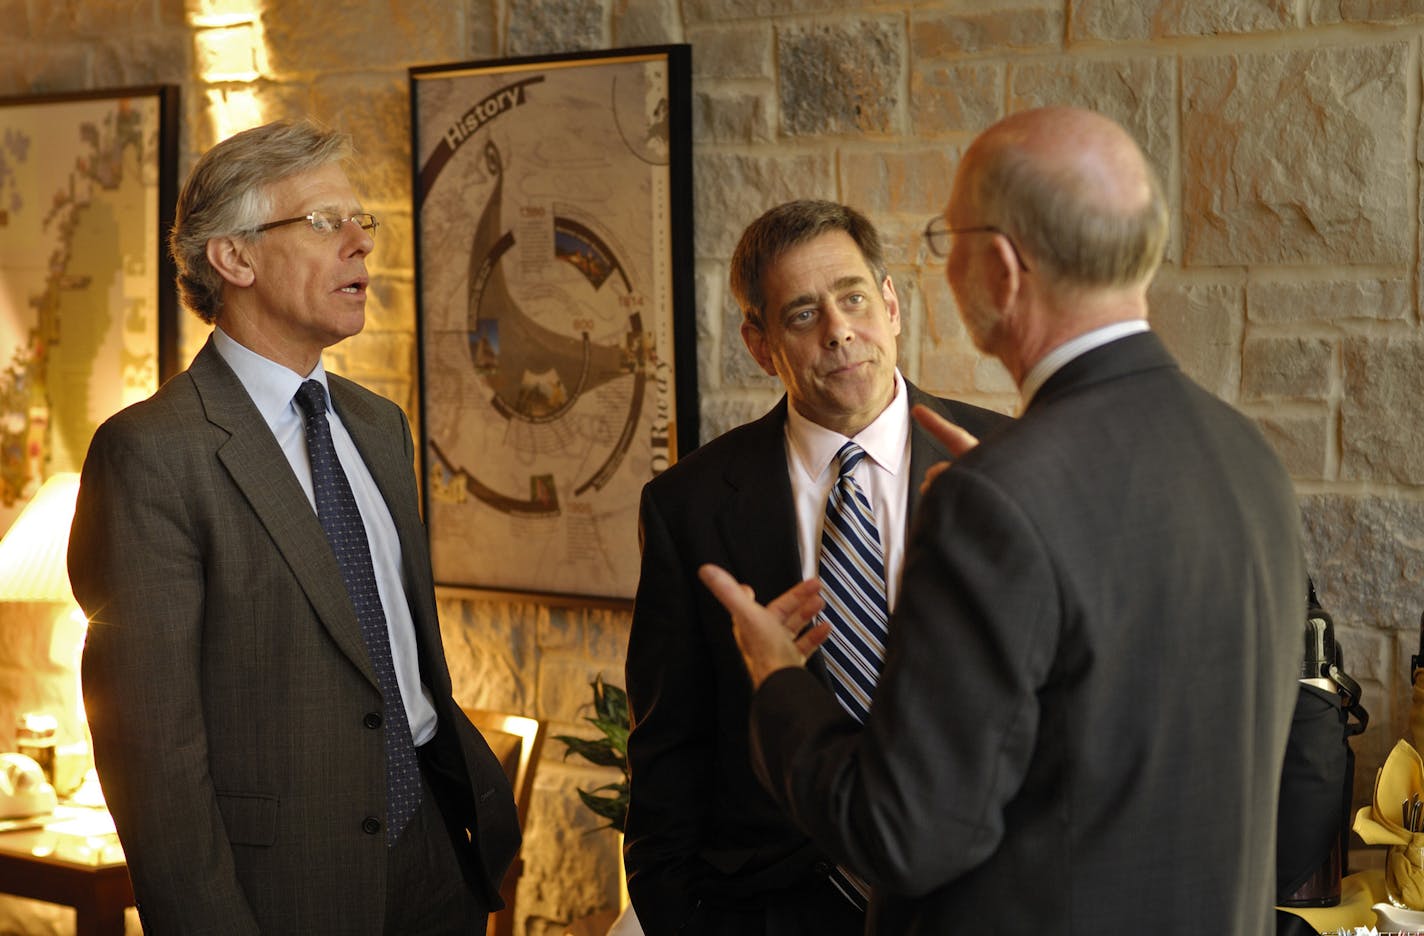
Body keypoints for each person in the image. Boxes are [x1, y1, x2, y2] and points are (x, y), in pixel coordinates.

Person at [700, 107, 1307, 934]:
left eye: (947, 242)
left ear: (1002, 269)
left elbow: (902, 834)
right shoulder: (1245, 453)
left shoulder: (995, 498)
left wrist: (777, 680)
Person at [68, 119, 519, 934]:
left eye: (361, 221)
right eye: (323, 223)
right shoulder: (150, 455)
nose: (360, 245)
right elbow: (152, 756)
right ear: (233, 258)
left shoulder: (379, 425)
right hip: (284, 891)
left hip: (437, 857)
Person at [623, 200, 1009, 935]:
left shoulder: (1004, 460)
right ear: (759, 343)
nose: (839, 331)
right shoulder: (690, 506)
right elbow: (667, 756)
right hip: (768, 910)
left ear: (891, 306)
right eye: (802, 314)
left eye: (854, 298)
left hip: (975, 900)